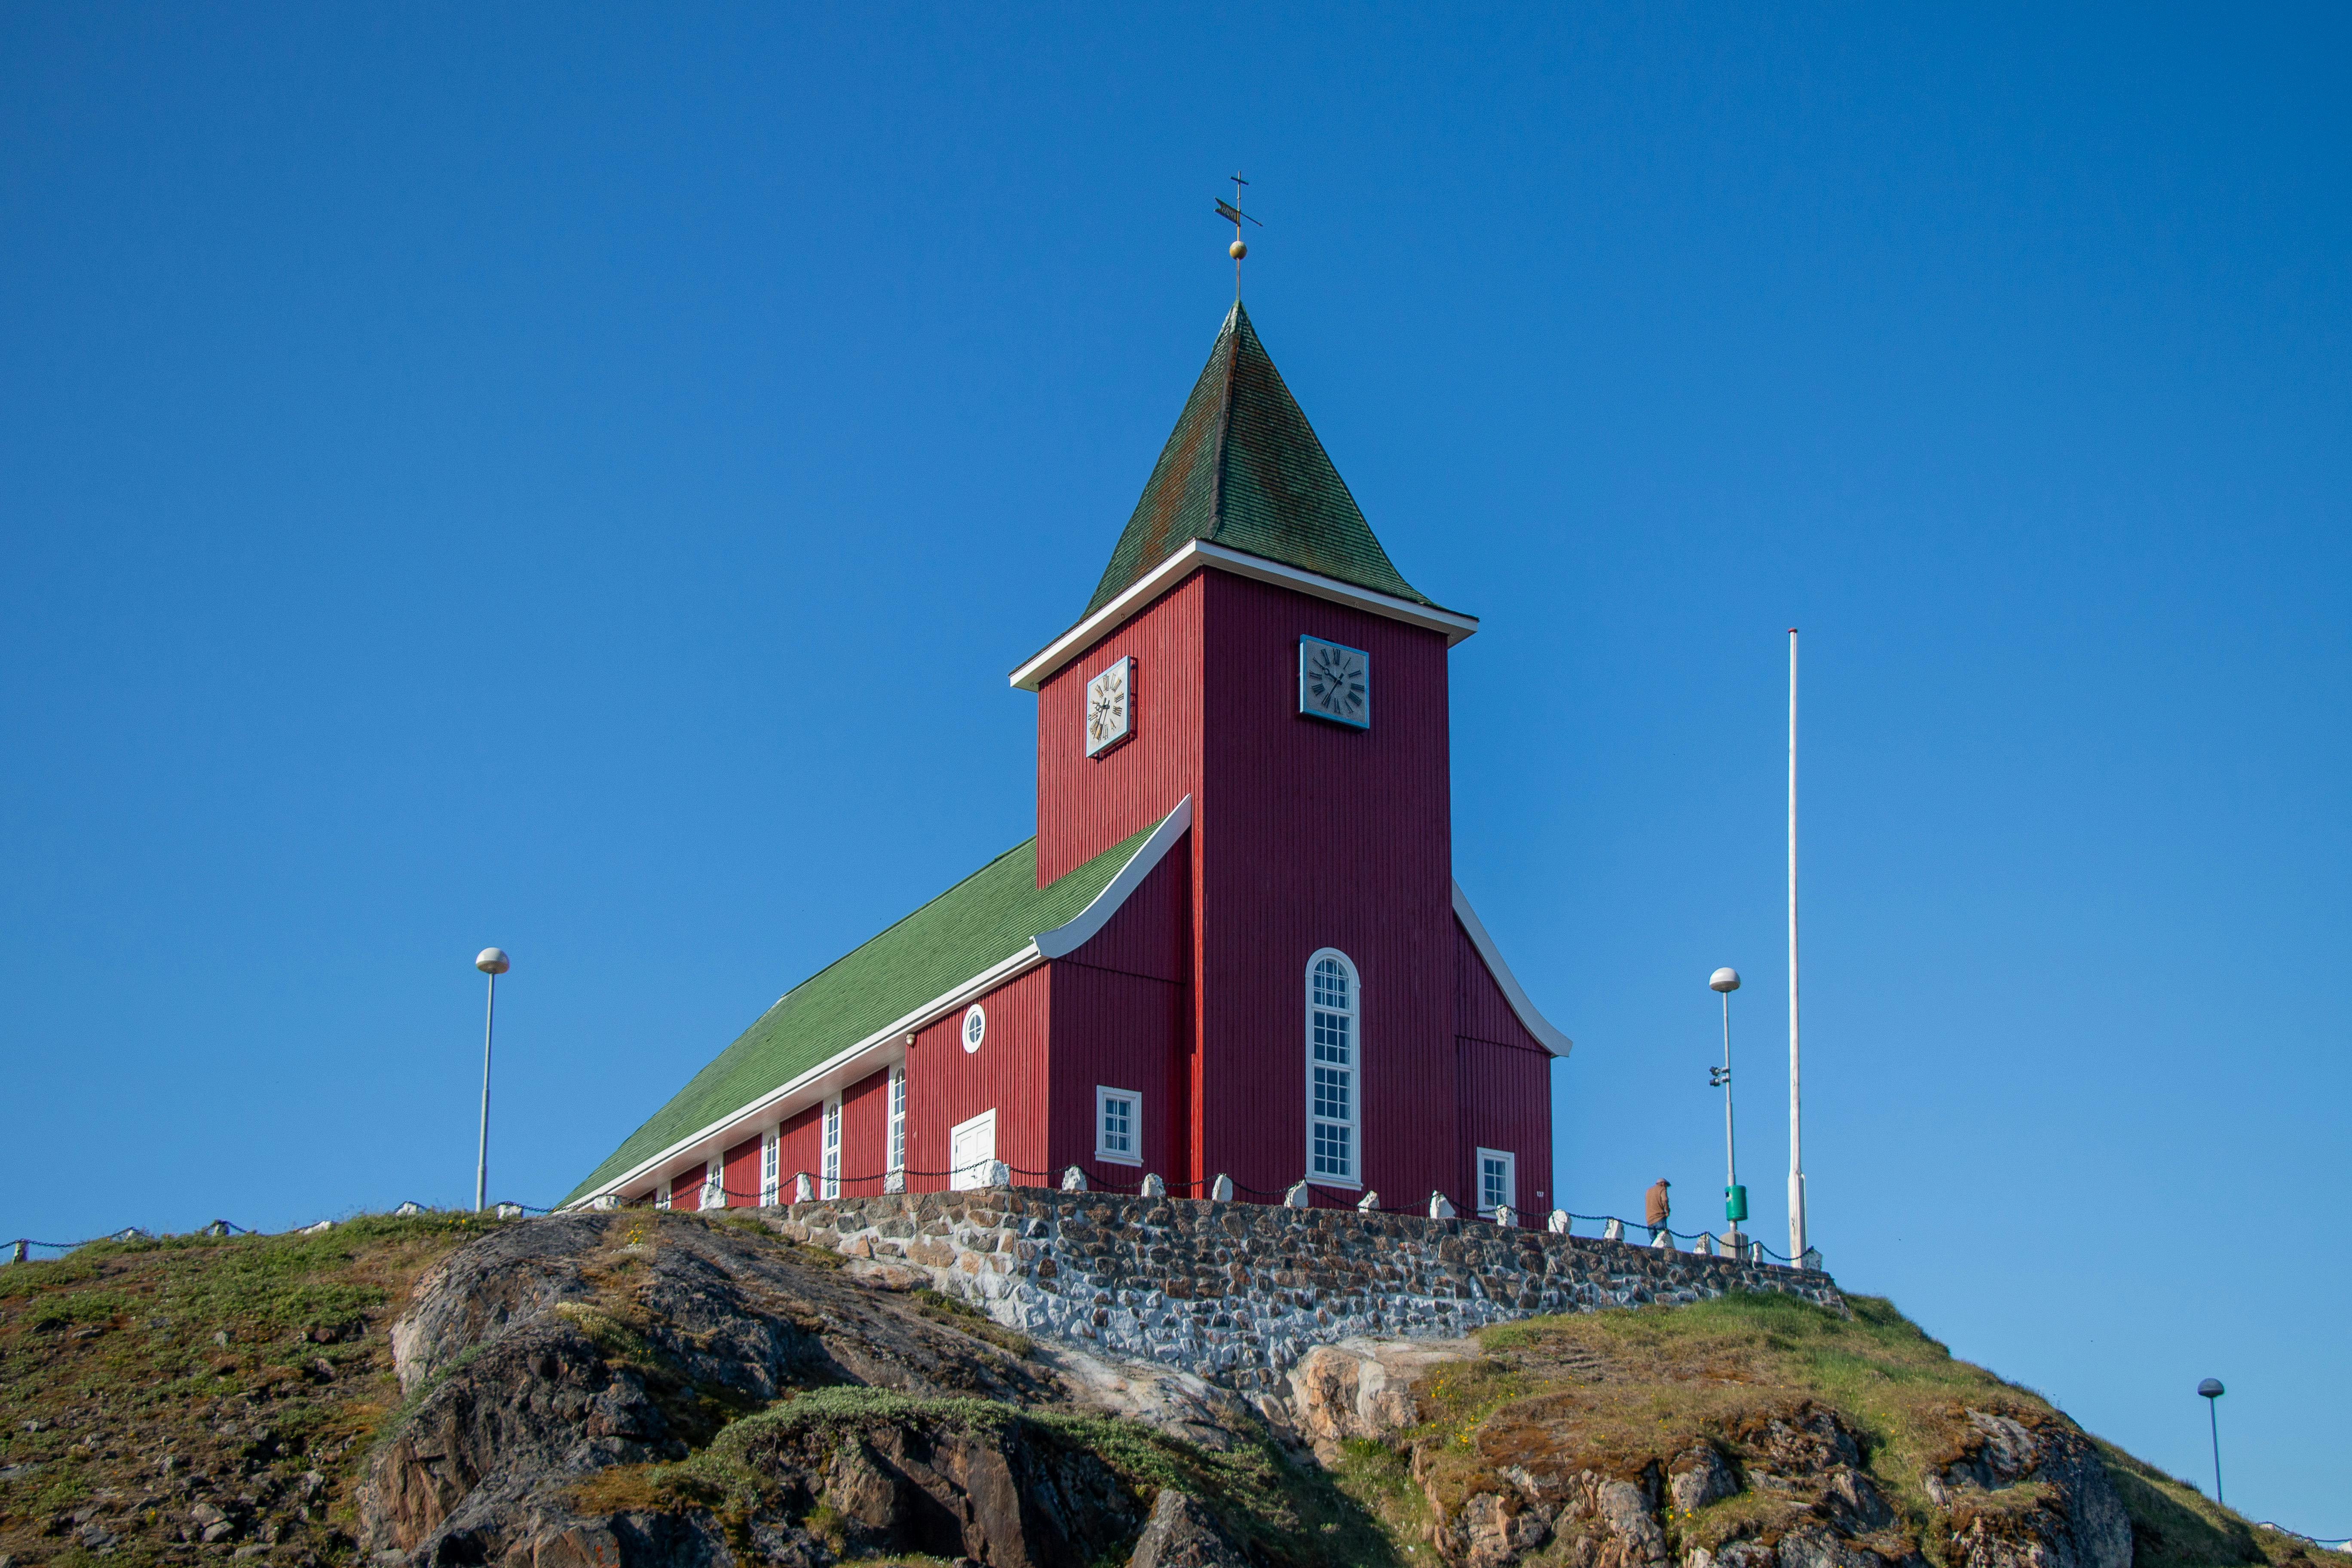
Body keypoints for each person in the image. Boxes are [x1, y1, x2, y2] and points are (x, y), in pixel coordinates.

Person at [1645, 1178, 1672, 1244]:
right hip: (1659, 1218)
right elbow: (1665, 1200)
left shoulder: (1648, 1191)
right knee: (1662, 1240)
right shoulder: (1662, 1189)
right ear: (1663, 1184)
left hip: (1649, 1220)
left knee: (1654, 1242)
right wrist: (1667, 1211)